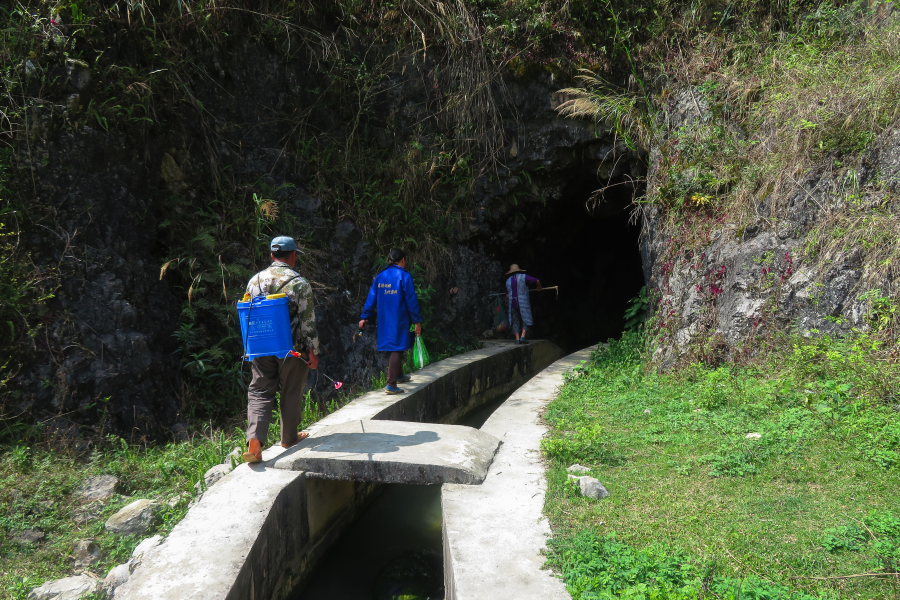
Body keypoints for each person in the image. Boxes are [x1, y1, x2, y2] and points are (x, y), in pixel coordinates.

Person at [242, 236, 320, 463]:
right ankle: (289, 437)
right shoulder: (299, 283)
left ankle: (254, 443)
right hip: (291, 349)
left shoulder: (254, 281)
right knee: (291, 390)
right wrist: (312, 352)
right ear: (293, 255)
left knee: (259, 391)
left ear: (271, 256)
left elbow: (248, 312)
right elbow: (308, 322)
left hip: (261, 346)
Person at [358, 248, 423, 394]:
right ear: (403, 260)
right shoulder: (404, 276)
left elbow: (371, 298)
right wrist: (417, 321)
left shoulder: (380, 276)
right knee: (397, 348)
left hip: (384, 319)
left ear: (389, 260)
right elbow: (411, 301)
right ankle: (391, 384)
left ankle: (399, 376)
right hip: (399, 318)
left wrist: (365, 316)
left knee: (396, 345)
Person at [505, 264, 541, 344]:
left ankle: (517, 339)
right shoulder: (524, 277)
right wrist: (539, 287)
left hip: (513, 303)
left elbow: (507, 295)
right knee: (526, 317)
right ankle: (522, 336)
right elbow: (537, 281)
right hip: (523, 302)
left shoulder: (508, 281)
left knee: (515, 320)